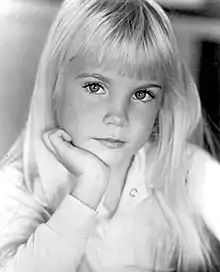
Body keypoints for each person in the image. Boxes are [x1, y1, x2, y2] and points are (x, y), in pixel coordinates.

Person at [0, 0, 220, 271]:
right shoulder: (20, 184)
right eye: (95, 87)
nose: (118, 116)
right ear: (54, 84)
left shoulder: (182, 168)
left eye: (142, 95)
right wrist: (88, 188)